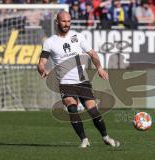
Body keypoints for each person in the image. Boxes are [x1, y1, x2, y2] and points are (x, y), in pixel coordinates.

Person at [37, 11, 120, 148]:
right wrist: (41, 69)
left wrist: (99, 67)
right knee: (72, 109)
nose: (66, 24)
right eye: (63, 21)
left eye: (69, 21)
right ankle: (84, 139)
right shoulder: (50, 42)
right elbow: (41, 63)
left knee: (93, 111)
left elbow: (92, 53)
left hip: (82, 81)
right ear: (57, 22)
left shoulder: (78, 36)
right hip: (65, 83)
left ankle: (106, 137)